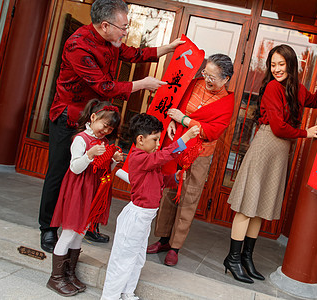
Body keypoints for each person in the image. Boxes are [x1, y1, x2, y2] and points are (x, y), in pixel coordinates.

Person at [39, 0, 184, 253]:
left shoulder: (110, 40)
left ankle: (87, 223)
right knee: (61, 172)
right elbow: (104, 86)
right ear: (105, 25)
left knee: (97, 173)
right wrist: (141, 85)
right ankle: (48, 228)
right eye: (123, 27)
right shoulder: (78, 45)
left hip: (100, 121)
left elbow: (134, 54)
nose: (126, 32)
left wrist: (168, 48)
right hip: (70, 117)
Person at [225, 44, 317, 283]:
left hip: (279, 151)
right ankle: (233, 259)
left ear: (291, 64)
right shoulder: (273, 88)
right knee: (248, 206)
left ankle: (246, 257)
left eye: (281, 64)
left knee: (261, 208)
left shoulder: (294, 87)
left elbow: (313, 100)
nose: (276, 69)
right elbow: (277, 127)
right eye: (272, 65)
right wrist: (306, 133)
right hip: (266, 145)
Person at [146, 54, 235, 266]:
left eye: (212, 77)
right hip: (176, 146)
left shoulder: (227, 102)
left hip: (200, 154)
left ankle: (175, 247)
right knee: (168, 192)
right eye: (205, 73)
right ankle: (163, 239)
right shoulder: (194, 84)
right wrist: (170, 121)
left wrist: (184, 119)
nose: (206, 79)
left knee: (189, 197)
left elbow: (211, 131)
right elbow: (173, 103)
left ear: (225, 79)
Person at [101, 114, 200, 300]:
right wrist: (184, 139)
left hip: (144, 218)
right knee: (122, 260)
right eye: (155, 139)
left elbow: (159, 180)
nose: (157, 144)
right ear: (140, 139)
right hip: (136, 216)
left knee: (137, 259)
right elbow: (162, 156)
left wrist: (175, 177)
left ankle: (126, 292)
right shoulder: (138, 158)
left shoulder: (148, 159)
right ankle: (109, 297)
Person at [47, 100, 123, 296]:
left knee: (80, 233)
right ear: (93, 117)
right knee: (69, 232)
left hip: (92, 191)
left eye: (110, 128)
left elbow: (103, 169)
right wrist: (89, 155)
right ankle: (56, 278)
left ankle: (69, 274)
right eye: (104, 125)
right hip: (77, 190)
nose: (105, 130)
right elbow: (74, 167)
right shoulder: (80, 139)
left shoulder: (105, 142)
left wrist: (113, 162)